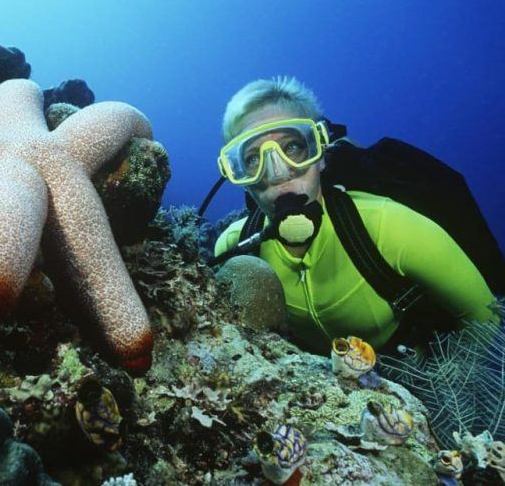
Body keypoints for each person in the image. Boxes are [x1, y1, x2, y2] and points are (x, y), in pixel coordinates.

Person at [213, 76, 500, 355]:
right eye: (253, 158)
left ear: (322, 154)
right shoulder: (235, 249)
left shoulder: (390, 226)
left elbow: (487, 321)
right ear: (237, 173)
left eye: (293, 147)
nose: (278, 171)